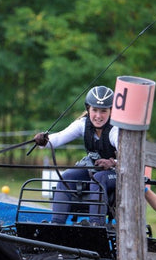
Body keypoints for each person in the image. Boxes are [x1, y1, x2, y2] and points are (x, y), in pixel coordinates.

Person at [34, 86, 118, 225]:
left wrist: (113, 162)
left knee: (98, 179)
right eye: (94, 110)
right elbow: (58, 138)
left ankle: (96, 225)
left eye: (103, 111)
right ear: (88, 109)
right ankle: (56, 224)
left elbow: (129, 160)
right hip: (95, 169)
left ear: (111, 111)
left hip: (117, 173)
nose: (98, 116)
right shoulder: (82, 125)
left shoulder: (115, 130)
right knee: (66, 177)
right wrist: (43, 141)